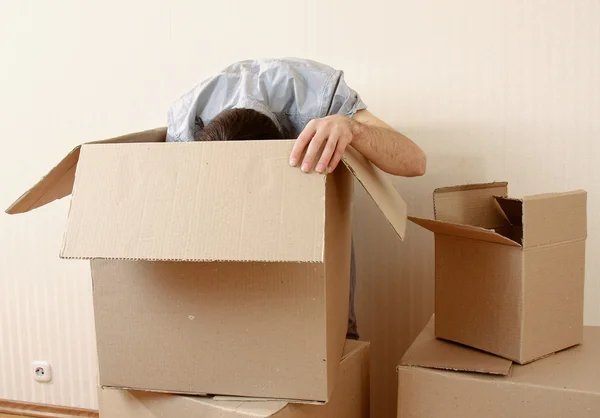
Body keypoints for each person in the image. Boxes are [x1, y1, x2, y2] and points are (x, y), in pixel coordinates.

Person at [166, 58, 426, 339]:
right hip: (235, 299)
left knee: (331, 346)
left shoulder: (318, 97)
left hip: (318, 283)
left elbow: (415, 162)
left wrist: (352, 128)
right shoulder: (185, 129)